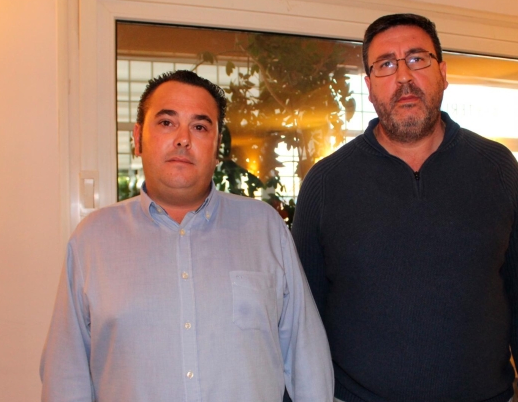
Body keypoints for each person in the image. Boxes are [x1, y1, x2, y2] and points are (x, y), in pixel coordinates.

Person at [292, 13, 518, 402]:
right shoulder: (325, 182)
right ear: (368, 87)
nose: (403, 77)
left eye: (417, 59)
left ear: (443, 72)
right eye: (386, 64)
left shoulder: (497, 168)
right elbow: (301, 320)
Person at [41, 70, 333, 402]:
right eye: (167, 123)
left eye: (200, 126)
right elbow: (66, 376)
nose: (183, 139)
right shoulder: (91, 240)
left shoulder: (264, 227)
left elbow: (306, 356)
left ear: (218, 147)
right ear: (137, 138)